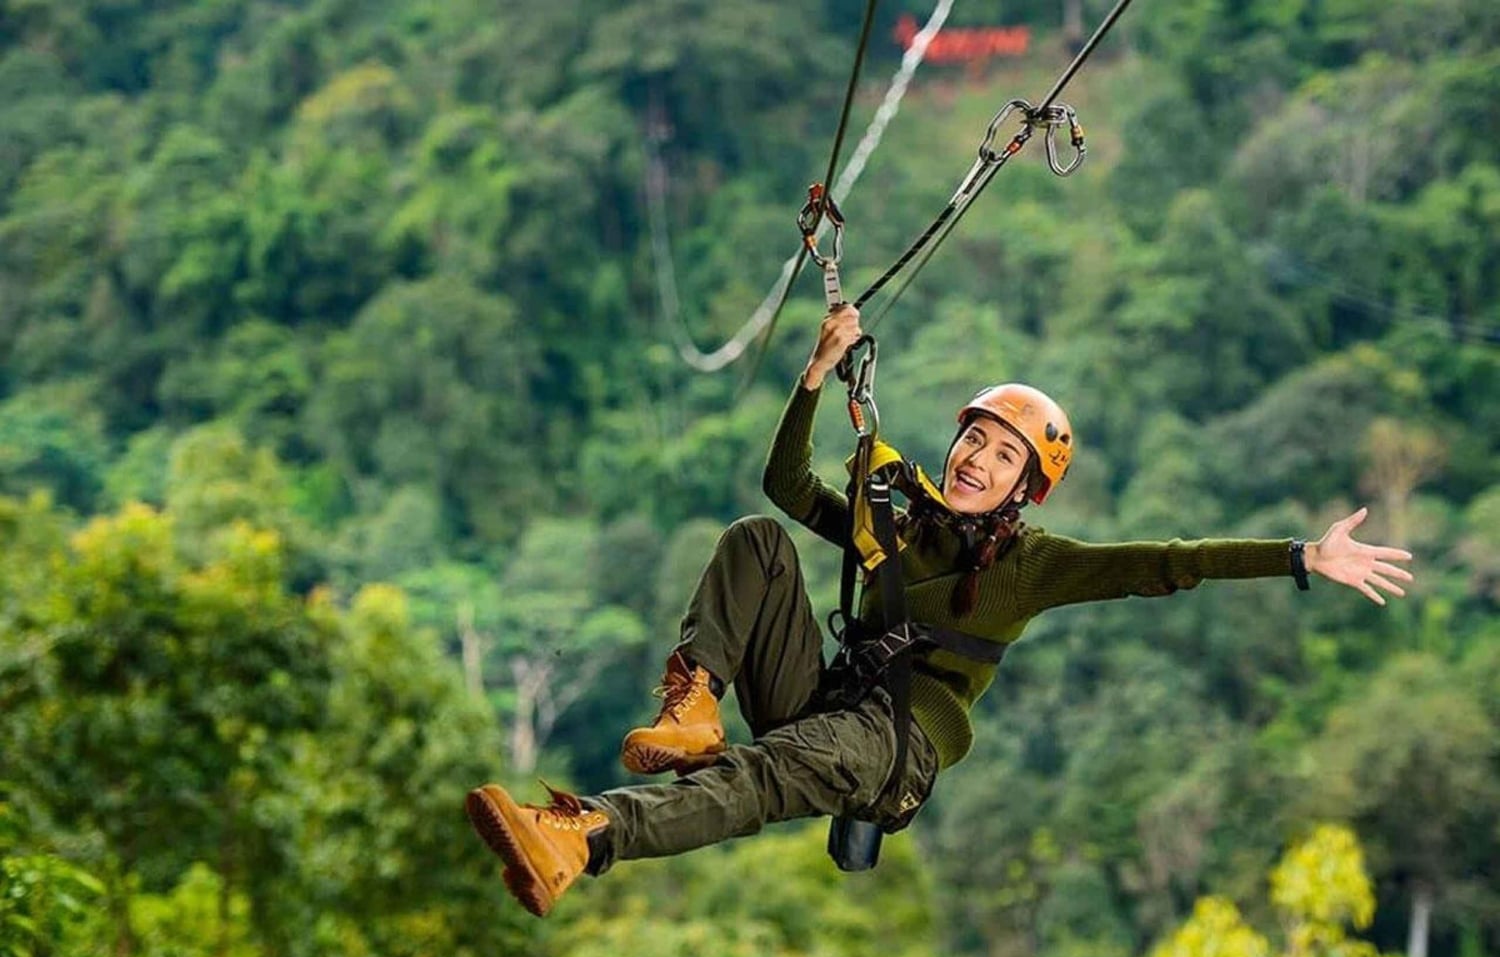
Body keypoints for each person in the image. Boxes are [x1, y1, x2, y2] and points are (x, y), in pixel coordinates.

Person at [465, 305, 1415, 918]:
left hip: (894, 744)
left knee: (760, 776)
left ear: (1023, 489)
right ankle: (693, 705)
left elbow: (1166, 563)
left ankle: (584, 834)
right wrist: (815, 372)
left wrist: (1301, 554)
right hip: (826, 701)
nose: (977, 460)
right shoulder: (899, 523)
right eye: (975, 439)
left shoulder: (1034, 566)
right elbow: (785, 487)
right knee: (758, 539)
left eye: (1004, 457)